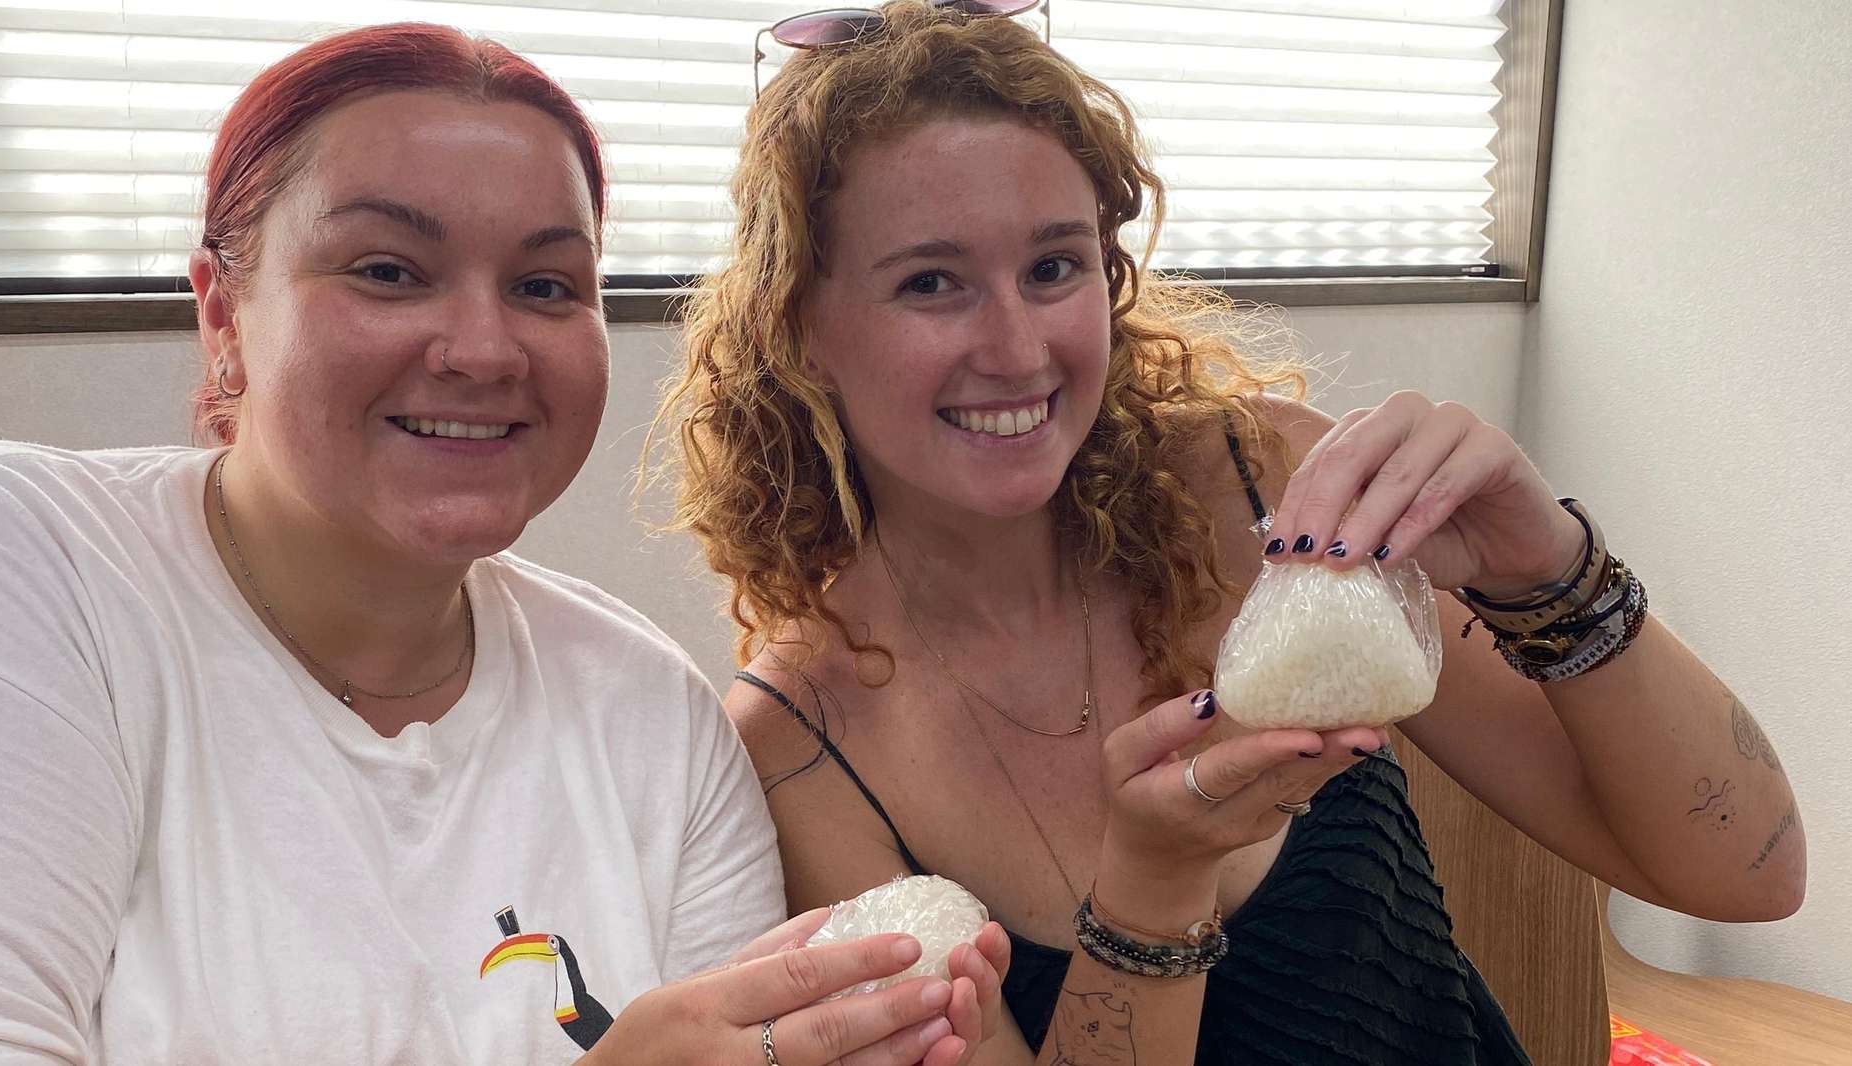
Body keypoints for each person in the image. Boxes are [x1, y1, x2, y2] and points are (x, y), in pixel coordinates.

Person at [0, 22, 1005, 1066]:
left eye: (546, 286)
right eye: (388, 270)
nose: (482, 348)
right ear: (222, 315)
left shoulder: (651, 715)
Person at [656, 3, 1807, 1063]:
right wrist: (1153, 884)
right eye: (930, 283)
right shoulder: (802, 746)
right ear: (802, 328)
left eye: (1053, 266)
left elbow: (1747, 870)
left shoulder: (1260, 494)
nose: (1015, 348)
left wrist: (1547, 571)